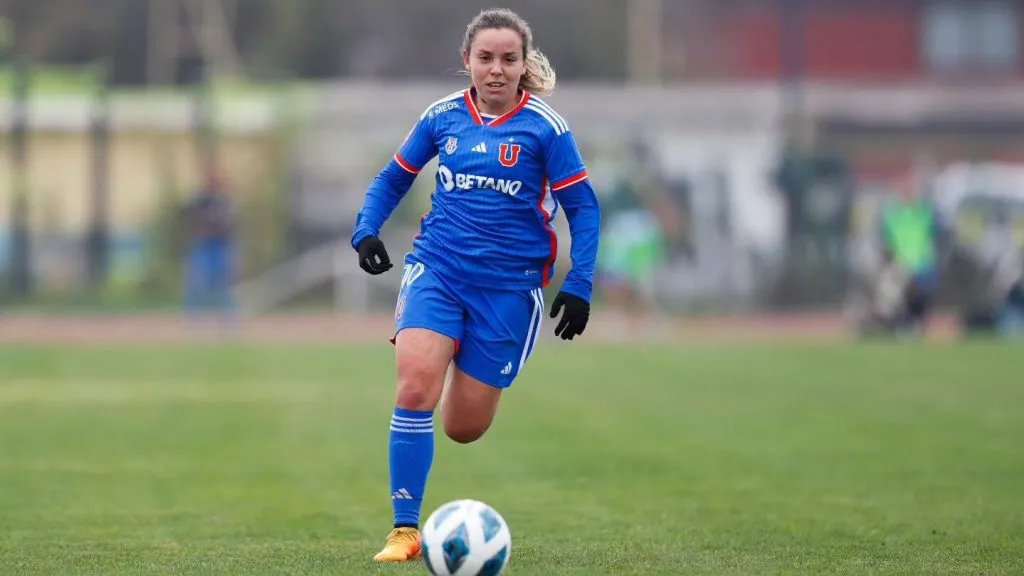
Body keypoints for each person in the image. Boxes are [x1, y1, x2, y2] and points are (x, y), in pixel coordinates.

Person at [350, 7, 601, 563]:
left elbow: (583, 208)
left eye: (508, 59)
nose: (496, 69)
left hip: (509, 289)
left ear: (523, 64)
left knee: (463, 427)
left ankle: (461, 365)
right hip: (437, 270)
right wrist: (366, 231)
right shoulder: (441, 117)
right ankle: (404, 531)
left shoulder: (546, 128)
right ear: (467, 60)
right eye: (485, 57)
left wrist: (580, 282)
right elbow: (393, 177)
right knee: (415, 387)